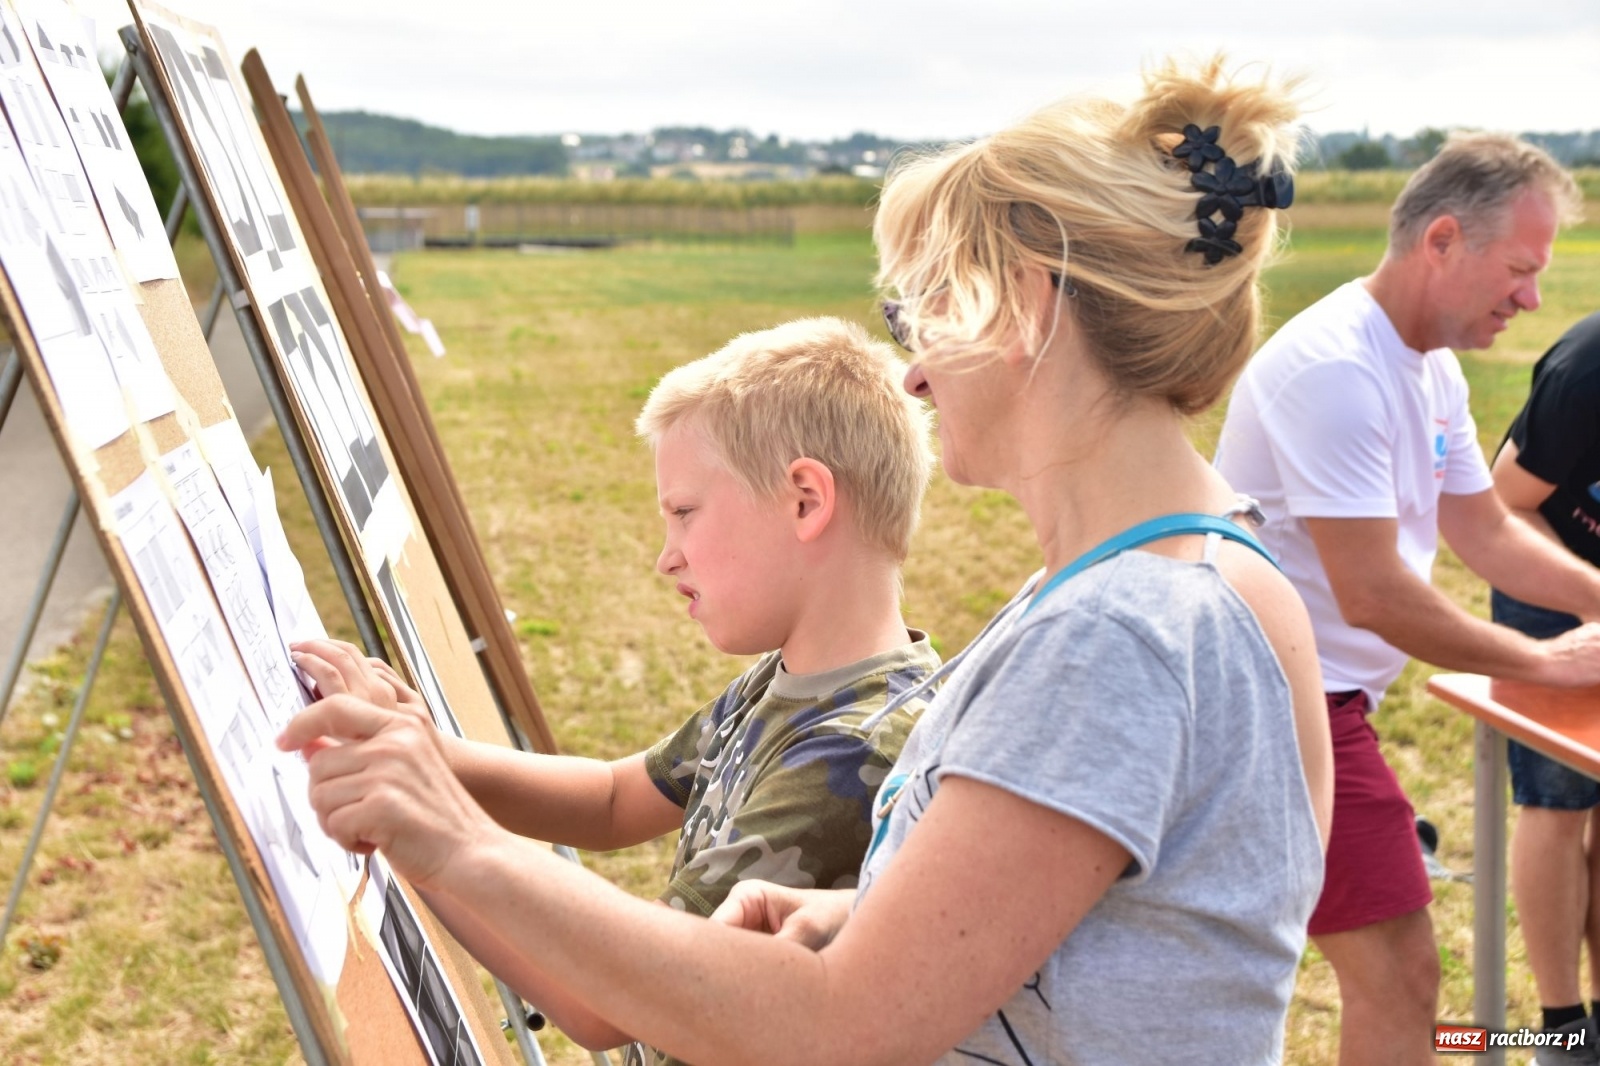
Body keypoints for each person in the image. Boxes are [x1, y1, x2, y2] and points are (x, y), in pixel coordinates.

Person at [283, 57, 1333, 1065]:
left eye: (919, 310)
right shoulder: (1214, 575)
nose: (914, 372)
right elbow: (1144, 943)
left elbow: (840, 1028)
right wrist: (866, 918)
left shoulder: (1116, 630)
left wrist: (452, 842)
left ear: (1025, 305)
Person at [293, 315, 940, 1061]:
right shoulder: (794, 678)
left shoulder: (848, 753)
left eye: (685, 514)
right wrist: (426, 753)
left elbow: (612, 1005)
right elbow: (610, 798)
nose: (667, 559)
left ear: (804, 500)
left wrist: (421, 837)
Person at [1215, 135, 1600, 1065]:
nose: (1533, 299)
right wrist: (1541, 659)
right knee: (1399, 972)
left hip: (1319, 698)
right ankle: (1549, 1034)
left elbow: (1489, 533)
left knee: (1398, 973)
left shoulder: (1427, 366)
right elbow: (1376, 593)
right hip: (1274, 699)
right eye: (1518, 269)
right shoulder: (1339, 372)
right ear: (1441, 240)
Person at [1490, 310, 1600, 1063]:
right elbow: (1506, 504)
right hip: (1546, 563)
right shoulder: (1586, 371)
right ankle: (1559, 1030)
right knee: (1559, 799)